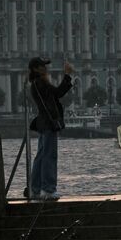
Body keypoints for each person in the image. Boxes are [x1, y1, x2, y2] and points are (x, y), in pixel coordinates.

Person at [27, 57, 75, 200]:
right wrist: (67, 75)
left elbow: (55, 94)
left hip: (43, 123)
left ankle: (34, 189)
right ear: (35, 68)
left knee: (41, 156)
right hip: (48, 124)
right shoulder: (40, 83)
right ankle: (48, 189)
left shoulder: (37, 83)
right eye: (42, 66)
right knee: (49, 156)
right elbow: (58, 93)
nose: (45, 68)